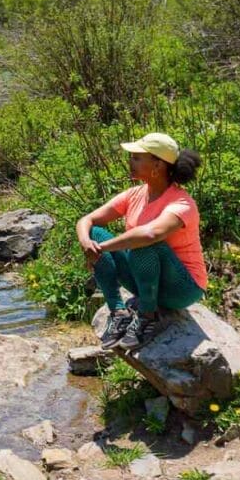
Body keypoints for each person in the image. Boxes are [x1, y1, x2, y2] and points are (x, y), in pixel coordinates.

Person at [75, 132, 206, 351]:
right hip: (145, 279)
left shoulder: (182, 204)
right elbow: (87, 220)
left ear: (158, 164)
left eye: (137, 157)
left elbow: (150, 235)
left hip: (182, 287)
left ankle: (148, 316)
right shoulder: (135, 194)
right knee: (96, 233)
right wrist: (88, 244)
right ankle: (118, 312)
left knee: (143, 243)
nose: (130, 162)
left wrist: (102, 250)